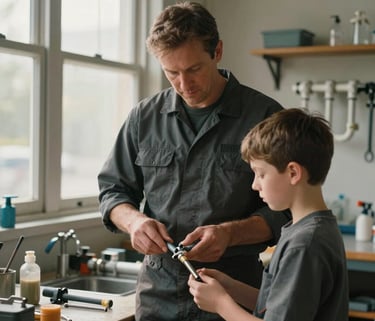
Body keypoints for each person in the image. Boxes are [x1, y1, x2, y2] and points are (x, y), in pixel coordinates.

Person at [98, 2, 290, 320]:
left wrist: (230, 233)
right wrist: (135, 222)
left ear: (217, 52)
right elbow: (112, 192)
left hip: (235, 293)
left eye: (193, 69)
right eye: (171, 73)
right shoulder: (143, 117)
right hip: (157, 297)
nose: (184, 85)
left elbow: (287, 211)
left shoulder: (265, 117)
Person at [188, 108, 349, 321]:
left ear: (293, 173)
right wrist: (229, 287)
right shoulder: (310, 229)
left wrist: (221, 304)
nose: (255, 185)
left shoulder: (304, 244)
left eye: (260, 174)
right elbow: (281, 307)